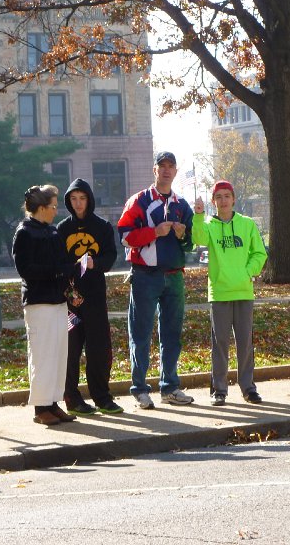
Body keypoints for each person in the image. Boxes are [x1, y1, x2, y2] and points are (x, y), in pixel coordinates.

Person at [118, 151, 194, 409]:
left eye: (171, 166)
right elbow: (125, 237)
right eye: (162, 166)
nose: (166, 170)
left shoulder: (182, 205)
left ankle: (170, 387)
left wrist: (183, 235)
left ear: (175, 171)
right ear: (154, 170)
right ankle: (139, 389)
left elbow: (190, 244)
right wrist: (154, 232)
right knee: (140, 334)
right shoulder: (138, 201)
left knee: (172, 335)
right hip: (145, 276)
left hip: (174, 277)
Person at [13, 185, 90, 426]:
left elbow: (63, 264)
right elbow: (26, 270)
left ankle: (54, 403)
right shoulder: (24, 233)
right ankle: (41, 407)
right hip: (38, 302)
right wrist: (58, 271)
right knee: (42, 355)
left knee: (59, 355)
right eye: (54, 206)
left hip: (58, 301)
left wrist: (71, 282)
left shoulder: (53, 232)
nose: (57, 211)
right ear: (41, 207)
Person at [192, 181, 267, 405]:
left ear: (233, 199)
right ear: (213, 202)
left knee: (245, 342)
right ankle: (219, 389)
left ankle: (248, 387)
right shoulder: (209, 225)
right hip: (220, 292)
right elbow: (198, 239)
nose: (223, 201)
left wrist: (248, 272)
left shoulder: (246, 224)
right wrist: (198, 215)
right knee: (220, 343)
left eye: (227, 196)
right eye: (219, 197)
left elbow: (259, 254)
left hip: (244, 290)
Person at [56, 178, 122, 416]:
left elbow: (111, 257)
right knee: (70, 349)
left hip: (95, 298)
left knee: (99, 348)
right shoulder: (62, 229)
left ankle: (102, 397)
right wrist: (68, 290)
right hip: (70, 302)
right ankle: (72, 398)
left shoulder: (103, 227)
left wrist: (96, 262)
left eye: (82, 198)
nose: (78, 204)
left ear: (89, 199)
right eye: (73, 199)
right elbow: (59, 263)